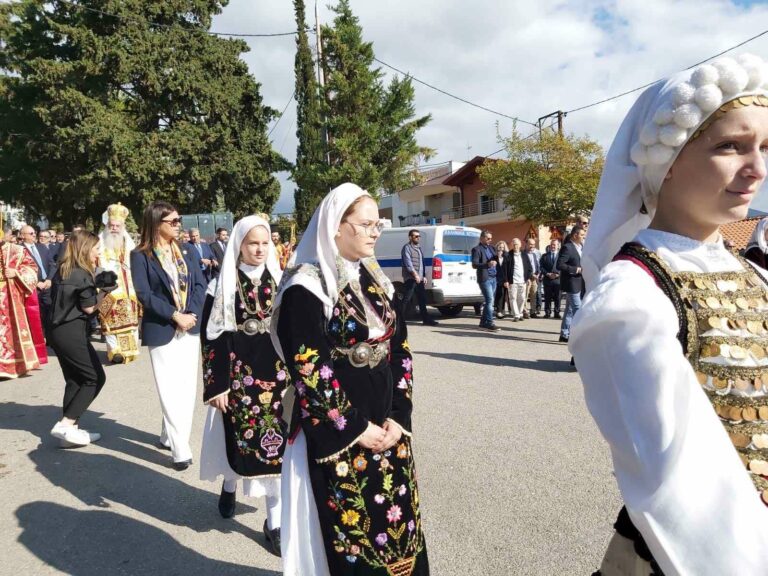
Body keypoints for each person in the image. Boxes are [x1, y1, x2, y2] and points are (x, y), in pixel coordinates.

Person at [570, 54, 768, 575]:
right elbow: (681, 487)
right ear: (670, 159)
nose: (757, 169)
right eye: (731, 146)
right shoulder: (631, 298)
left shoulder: (752, 274)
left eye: (764, 147)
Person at [273, 183, 429, 575]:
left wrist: (399, 415)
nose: (375, 232)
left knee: (397, 523)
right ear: (336, 227)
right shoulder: (306, 287)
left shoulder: (376, 282)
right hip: (341, 429)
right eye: (366, 224)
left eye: (378, 224)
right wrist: (355, 427)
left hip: (387, 423)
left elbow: (400, 349)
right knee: (351, 527)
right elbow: (308, 366)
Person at [199, 215, 288, 554]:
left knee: (278, 450)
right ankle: (230, 484)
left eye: (265, 243)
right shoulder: (221, 285)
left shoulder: (282, 282)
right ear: (239, 245)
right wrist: (217, 385)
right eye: (253, 243)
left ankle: (274, 523)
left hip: (279, 378)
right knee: (239, 439)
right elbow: (212, 339)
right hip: (240, 378)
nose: (260, 249)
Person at [131, 202, 207, 471]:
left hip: (190, 325)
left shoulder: (186, 250)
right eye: (172, 221)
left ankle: (168, 434)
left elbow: (200, 284)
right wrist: (175, 315)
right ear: (156, 223)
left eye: (178, 220)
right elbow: (144, 293)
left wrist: (192, 314)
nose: (178, 225)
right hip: (163, 327)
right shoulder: (140, 255)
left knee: (186, 387)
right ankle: (180, 447)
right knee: (169, 387)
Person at [48, 231, 113, 447]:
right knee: (94, 377)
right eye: (96, 249)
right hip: (71, 331)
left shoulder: (63, 270)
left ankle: (69, 434)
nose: (98, 253)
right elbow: (89, 308)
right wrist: (106, 291)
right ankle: (66, 424)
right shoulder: (82, 274)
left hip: (57, 331)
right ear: (85, 249)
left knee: (75, 379)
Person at [96, 204, 141, 364]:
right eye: (111, 225)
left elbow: (135, 262)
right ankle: (114, 351)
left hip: (128, 289)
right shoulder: (99, 241)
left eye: (117, 226)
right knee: (110, 318)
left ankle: (131, 350)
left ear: (122, 226)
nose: (114, 228)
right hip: (108, 288)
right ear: (107, 225)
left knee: (130, 319)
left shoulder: (128, 242)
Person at [0, 229, 41, 378]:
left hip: (9, 298)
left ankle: (11, 366)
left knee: (9, 333)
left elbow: (32, 270)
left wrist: (16, 273)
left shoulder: (17, 251)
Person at [19, 225, 53, 363]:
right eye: (31, 233)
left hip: (47, 285)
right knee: (35, 315)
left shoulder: (41, 247)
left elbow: (52, 264)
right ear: (22, 235)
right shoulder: (20, 250)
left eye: (35, 233)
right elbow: (22, 269)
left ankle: (50, 338)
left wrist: (49, 279)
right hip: (33, 288)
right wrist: (37, 282)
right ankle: (37, 340)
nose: (34, 235)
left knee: (49, 312)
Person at [400, 229, 438, 326]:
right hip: (411, 278)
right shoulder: (407, 248)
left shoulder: (418, 248)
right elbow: (408, 263)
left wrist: (423, 276)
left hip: (419, 278)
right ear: (410, 237)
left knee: (422, 299)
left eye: (419, 236)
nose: (418, 238)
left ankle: (426, 319)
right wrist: (415, 275)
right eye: (416, 236)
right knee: (407, 299)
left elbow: (421, 263)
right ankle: (398, 320)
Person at [556, 226, 585, 342]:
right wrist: (575, 269)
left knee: (569, 310)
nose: (583, 237)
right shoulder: (567, 247)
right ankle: (580, 335)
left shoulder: (580, 247)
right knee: (578, 309)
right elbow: (560, 265)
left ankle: (564, 334)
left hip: (578, 282)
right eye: (582, 235)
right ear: (575, 235)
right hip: (571, 283)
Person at [471, 230, 500, 331]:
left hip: (493, 277)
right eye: (488, 238)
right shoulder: (476, 249)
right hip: (485, 278)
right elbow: (474, 264)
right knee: (490, 300)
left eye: (491, 238)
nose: (490, 240)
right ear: (482, 238)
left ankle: (483, 323)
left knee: (490, 301)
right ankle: (489, 322)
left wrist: (498, 257)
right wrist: (487, 264)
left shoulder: (492, 248)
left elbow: (496, 258)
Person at [503, 238, 531, 321]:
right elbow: (505, 269)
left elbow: (529, 267)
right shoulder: (508, 255)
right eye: (514, 244)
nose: (515, 246)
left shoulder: (524, 255)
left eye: (517, 244)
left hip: (522, 280)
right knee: (513, 298)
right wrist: (506, 280)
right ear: (512, 245)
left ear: (520, 245)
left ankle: (520, 313)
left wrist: (527, 278)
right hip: (512, 281)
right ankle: (516, 315)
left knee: (522, 298)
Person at [540, 239, 561, 318]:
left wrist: (558, 274)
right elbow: (541, 267)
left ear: (558, 246)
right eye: (552, 244)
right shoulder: (544, 256)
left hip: (558, 280)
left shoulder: (561, 256)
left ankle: (557, 313)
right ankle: (547, 312)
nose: (553, 246)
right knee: (547, 297)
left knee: (557, 297)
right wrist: (547, 274)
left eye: (554, 245)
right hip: (547, 280)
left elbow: (564, 266)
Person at [523, 238, 541, 318]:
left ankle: (533, 311)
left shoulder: (535, 254)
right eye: (530, 244)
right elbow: (524, 267)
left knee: (534, 295)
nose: (532, 246)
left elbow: (538, 264)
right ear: (526, 244)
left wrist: (539, 273)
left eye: (533, 244)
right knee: (525, 295)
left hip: (535, 277)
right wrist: (531, 274)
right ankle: (525, 311)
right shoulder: (523, 254)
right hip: (526, 278)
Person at [494, 240, 511, 318]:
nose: (501, 249)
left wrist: (507, 280)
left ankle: (508, 310)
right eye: (500, 247)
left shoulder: (507, 256)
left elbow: (508, 269)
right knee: (500, 295)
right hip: (497, 278)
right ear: (497, 247)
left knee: (507, 295)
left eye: (503, 247)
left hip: (506, 278)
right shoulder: (494, 256)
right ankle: (499, 311)